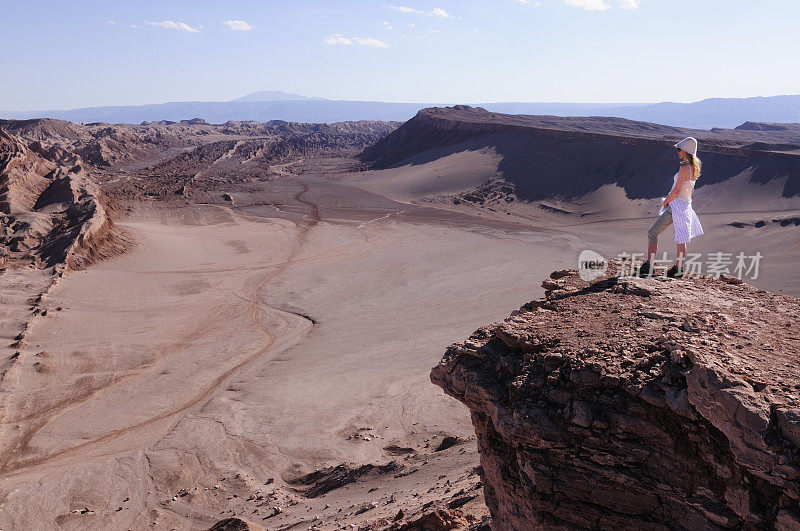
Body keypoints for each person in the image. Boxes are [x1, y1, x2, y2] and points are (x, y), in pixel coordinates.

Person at [639, 137, 704, 278]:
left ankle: (649, 266)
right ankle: (678, 268)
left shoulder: (684, 167)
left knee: (652, 233)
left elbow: (677, 190)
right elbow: (690, 190)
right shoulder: (694, 168)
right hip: (686, 206)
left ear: (686, 151)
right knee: (682, 239)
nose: (677, 152)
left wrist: (666, 202)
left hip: (675, 206)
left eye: (679, 149)